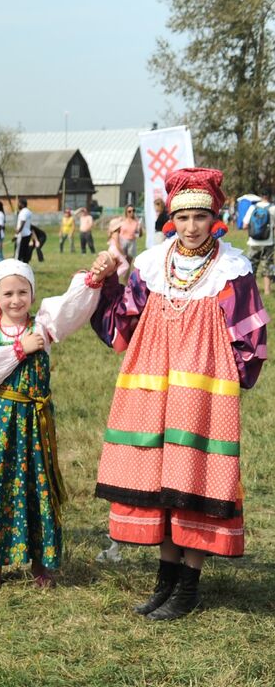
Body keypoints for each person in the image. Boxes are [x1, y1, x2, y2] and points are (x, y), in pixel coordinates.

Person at [89, 167, 267, 620]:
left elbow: (250, 333)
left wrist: (231, 379)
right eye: (183, 217)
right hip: (153, 384)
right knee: (160, 479)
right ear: (171, 218)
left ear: (215, 219)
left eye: (200, 218)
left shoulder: (232, 268)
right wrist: (106, 282)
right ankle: (164, 582)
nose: (191, 227)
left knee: (194, 476)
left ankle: (189, 586)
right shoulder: (152, 264)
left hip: (203, 389)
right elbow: (124, 321)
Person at [0, 258, 104, 589]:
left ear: (32, 293)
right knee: (2, 484)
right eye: (8, 293)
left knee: (37, 485)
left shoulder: (42, 327)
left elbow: (71, 307)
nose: (16, 300)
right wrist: (18, 349)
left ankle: (41, 562)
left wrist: (93, 279)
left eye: (23, 292)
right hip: (3, 423)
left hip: (36, 422)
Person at [241, 190, 271, 295]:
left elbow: (245, 225)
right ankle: (267, 290)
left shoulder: (253, 208)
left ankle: (252, 290)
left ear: (261, 196)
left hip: (253, 242)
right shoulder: (273, 208)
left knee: (251, 266)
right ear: (270, 196)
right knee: (267, 266)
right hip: (268, 243)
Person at [14, 198, 34, 263]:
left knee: (18, 254)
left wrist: (18, 232)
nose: (18, 205)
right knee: (24, 253)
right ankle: (25, 265)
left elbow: (22, 222)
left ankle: (18, 267)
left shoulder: (23, 212)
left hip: (22, 235)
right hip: (27, 234)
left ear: (22, 204)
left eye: (19, 203)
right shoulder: (28, 211)